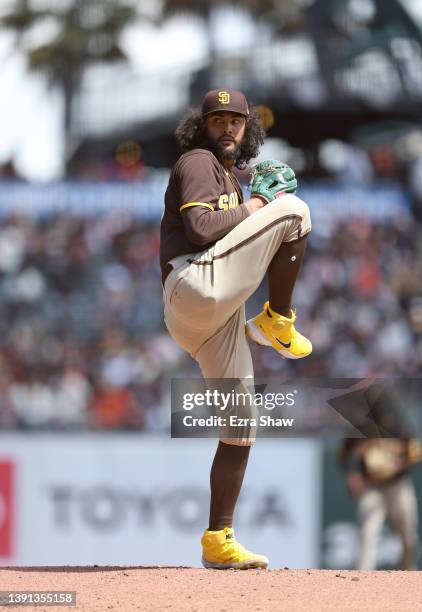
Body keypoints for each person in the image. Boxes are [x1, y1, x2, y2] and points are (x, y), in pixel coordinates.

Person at [160, 89, 312, 569]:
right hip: (193, 282)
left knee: (241, 426)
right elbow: (202, 230)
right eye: (218, 119)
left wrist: (250, 199)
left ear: (249, 128)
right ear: (200, 126)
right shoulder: (198, 161)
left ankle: (218, 539)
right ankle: (276, 319)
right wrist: (260, 203)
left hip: (210, 318)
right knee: (294, 211)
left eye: (237, 120)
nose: (227, 127)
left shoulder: (228, 175)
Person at [339, 438, 420, 570]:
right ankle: (363, 576)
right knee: (368, 530)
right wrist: (351, 474)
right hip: (371, 486)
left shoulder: (396, 426)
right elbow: (344, 455)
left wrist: (404, 462)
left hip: (397, 486)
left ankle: (409, 573)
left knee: (408, 535)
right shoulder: (360, 427)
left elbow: (415, 451)